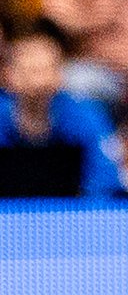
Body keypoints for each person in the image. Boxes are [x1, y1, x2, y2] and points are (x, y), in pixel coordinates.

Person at [0, 23, 119, 198]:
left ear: (60, 74)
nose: (39, 82)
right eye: (31, 71)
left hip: (71, 211)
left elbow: (105, 182)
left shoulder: (85, 115)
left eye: (47, 70)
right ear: (9, 75)